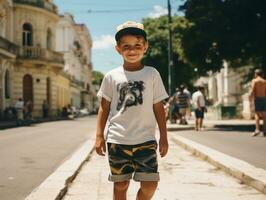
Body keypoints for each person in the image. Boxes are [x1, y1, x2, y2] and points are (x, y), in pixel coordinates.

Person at [95, 21, 169, 200]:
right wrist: (99, 136)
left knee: (150, 185)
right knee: (120, 184)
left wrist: (164, 138)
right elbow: (104, 108)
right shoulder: (111, 76)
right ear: (118, 49)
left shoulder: (152, 74)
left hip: (146, 140)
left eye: (137, 45)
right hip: (117, 140)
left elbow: (158, 108)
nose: (132, 50)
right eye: (126, 46)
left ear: (145, 47)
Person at [249, 69, 266, 137]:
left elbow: (252, 90)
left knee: (257, 114)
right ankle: (265, 130)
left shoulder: (254, 81)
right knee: (265, 115)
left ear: (256, 74)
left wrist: (250, 98)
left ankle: (257, 129)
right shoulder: (265, 81)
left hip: (257, 99)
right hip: (264, 98)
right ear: (262, 74)